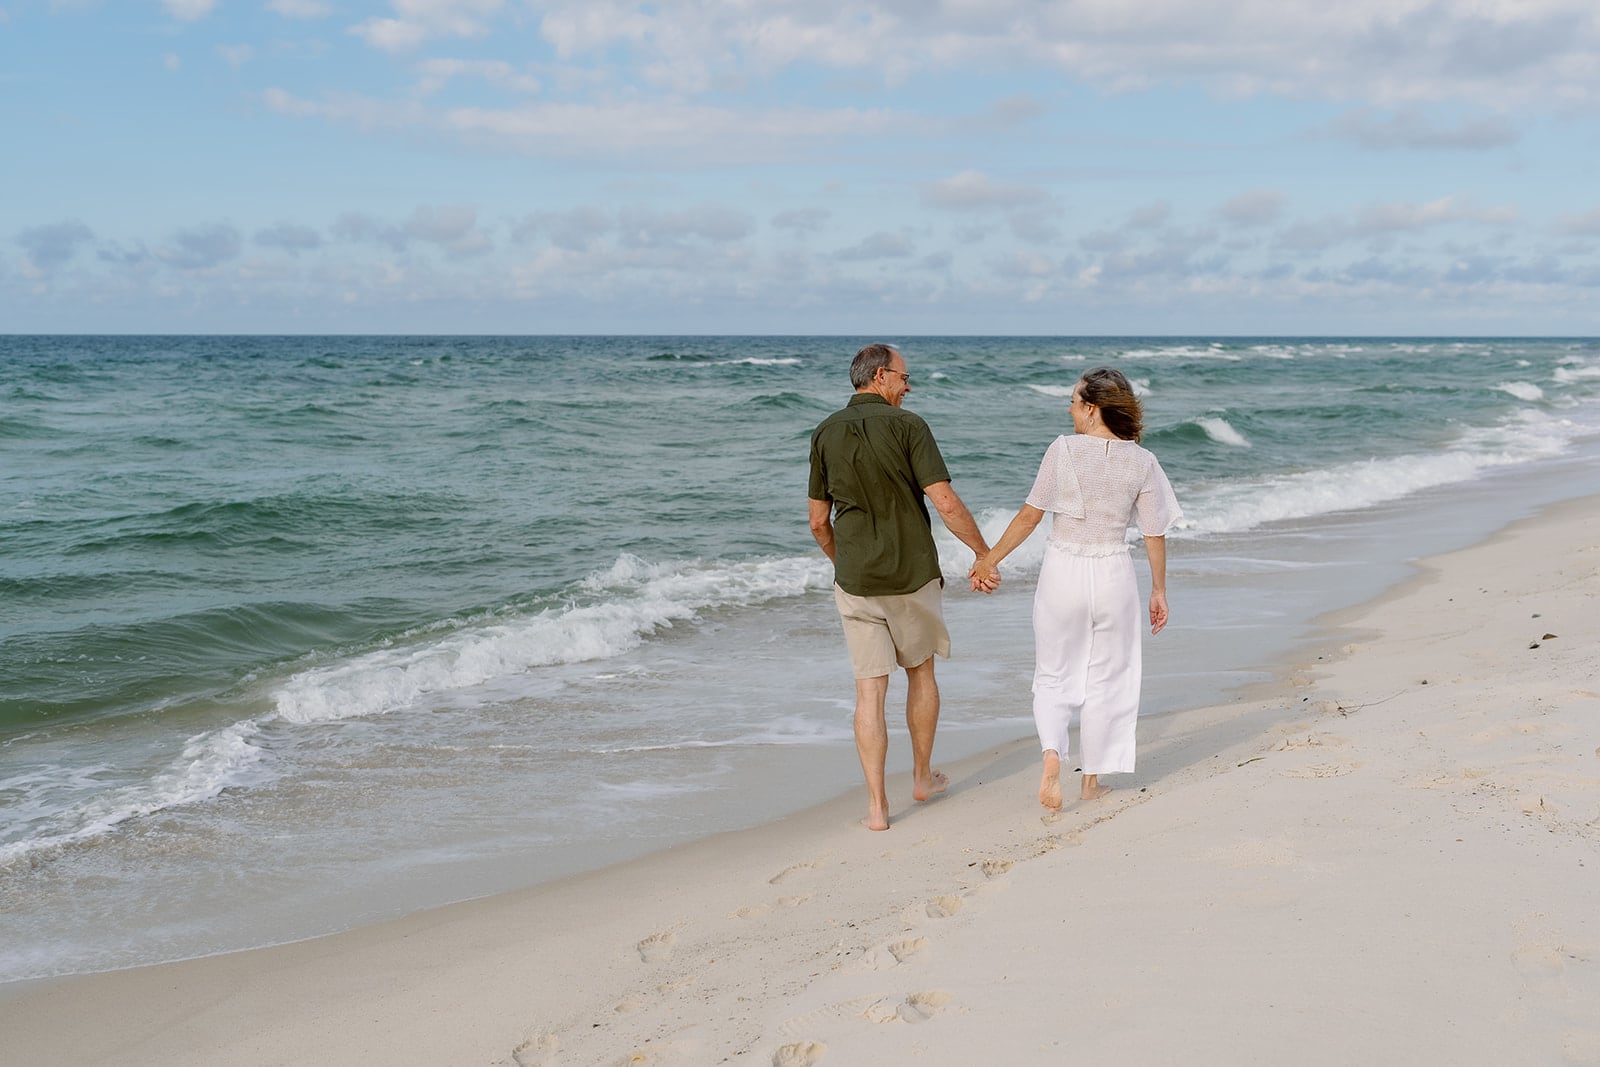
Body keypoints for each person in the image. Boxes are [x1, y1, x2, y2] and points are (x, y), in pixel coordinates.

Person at [970, 366, 1181, 811]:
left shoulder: (1063, 450)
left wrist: (988, 560)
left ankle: (1052, 755)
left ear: (1090, 408)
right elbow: (1154, 531)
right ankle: (1092, 780)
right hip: (1113, 572)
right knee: (1111, 676)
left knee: (1052, 673)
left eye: (1072, 401)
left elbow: (1030, 516)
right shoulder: (1142, 460)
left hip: (1062, 571)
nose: (1068, 409)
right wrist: (1158, 590)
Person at [808, 343, 995, 831]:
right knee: (921, 674)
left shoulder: (825, 431)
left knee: (868, 692)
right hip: (910, 574)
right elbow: (945, 502)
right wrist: (983, 554)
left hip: (855, 580)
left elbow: (816, 522)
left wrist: (844, 562)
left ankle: (876, 806)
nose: (909, 387)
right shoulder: (909, 426)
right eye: (906, 377)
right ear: (882, 376)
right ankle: (920, 778)